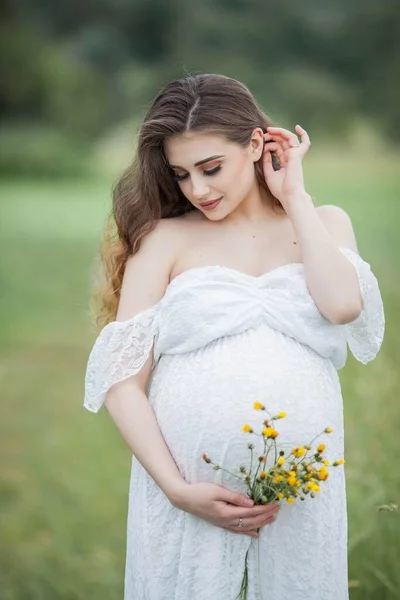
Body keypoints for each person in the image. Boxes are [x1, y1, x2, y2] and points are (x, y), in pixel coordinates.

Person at [83, 73, 385, 600]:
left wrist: (294, 196)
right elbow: (121, 381)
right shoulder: (166, 239)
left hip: (300, 492)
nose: (197, 190)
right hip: (188, 488)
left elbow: (341, 305)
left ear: (254, 145)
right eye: (181, 174)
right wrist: (178, 491)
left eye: (211, 168)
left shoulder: (323, 222)